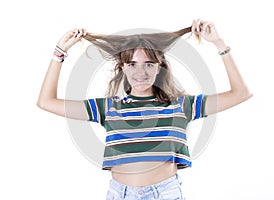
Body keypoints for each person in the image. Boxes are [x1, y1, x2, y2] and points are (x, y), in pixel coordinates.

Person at [37, 19, 252, 199]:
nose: (141, 72)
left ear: (159, 67)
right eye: (132, 64)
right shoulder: (109, 108)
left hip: (165, 193)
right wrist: (60, 52)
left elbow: (240, 93)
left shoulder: (181, 105)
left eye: (149, 63)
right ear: (123, 68)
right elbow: (46, 102)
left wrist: (218, 43)